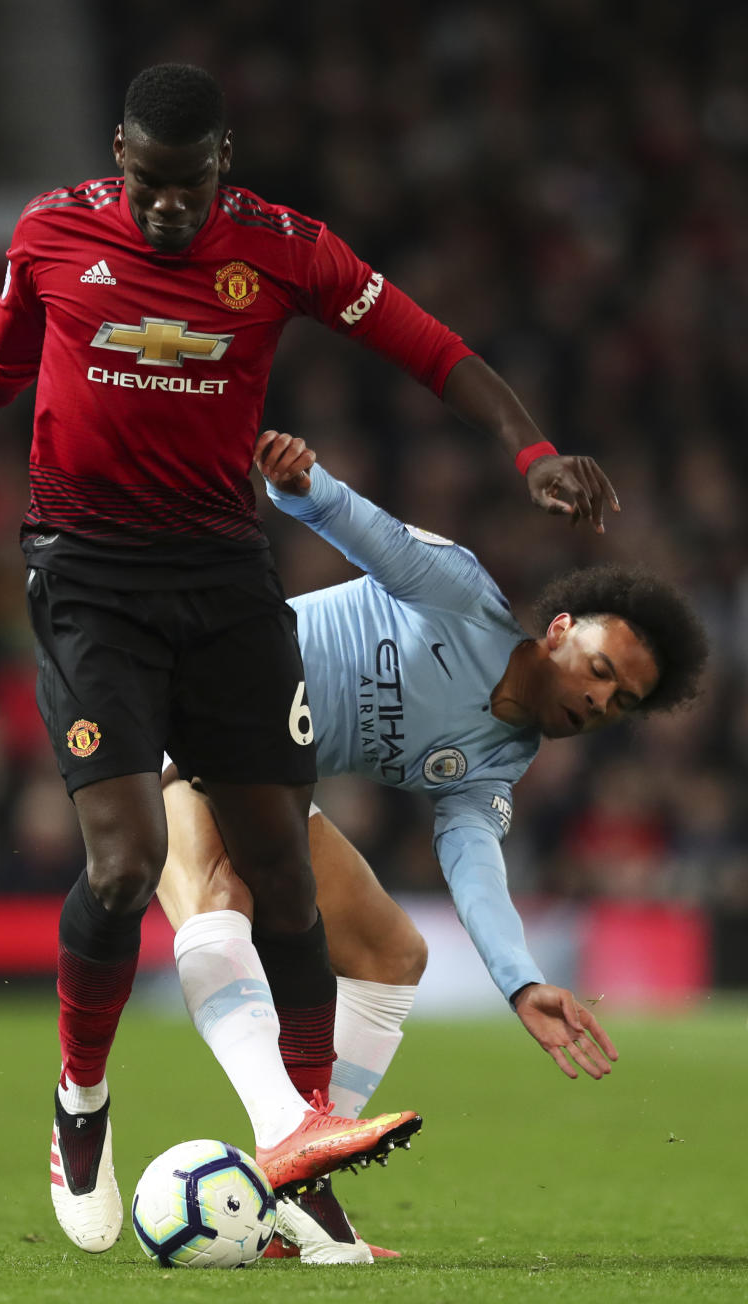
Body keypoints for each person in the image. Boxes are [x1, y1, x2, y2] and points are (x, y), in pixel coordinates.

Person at [0, 63, 619, 1255]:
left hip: (223, 581)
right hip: (87, 572)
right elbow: (2, 358)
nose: (165, 211)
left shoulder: (286, 247)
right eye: (146, 187)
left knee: (283, 869)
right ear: (120, 155)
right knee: (125, 864)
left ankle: (305, 1138)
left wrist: (532, 452)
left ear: (223, 162)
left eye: (187, 187)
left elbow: (430, 348)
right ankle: (80, 1103)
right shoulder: (53, 231)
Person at [157, 427, 708, 1264]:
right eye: (600, 670)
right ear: (559, 630)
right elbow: (362, 527)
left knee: (392, 952)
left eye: (622, 701)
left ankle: (298, 1182)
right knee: (219, 898)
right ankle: (288, 1152)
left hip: (268, 784)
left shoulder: (499, 759)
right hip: (187, 710)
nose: (600, 701)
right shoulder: (458, 593)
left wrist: (522, 982)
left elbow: (474, 859)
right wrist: (301, 484)